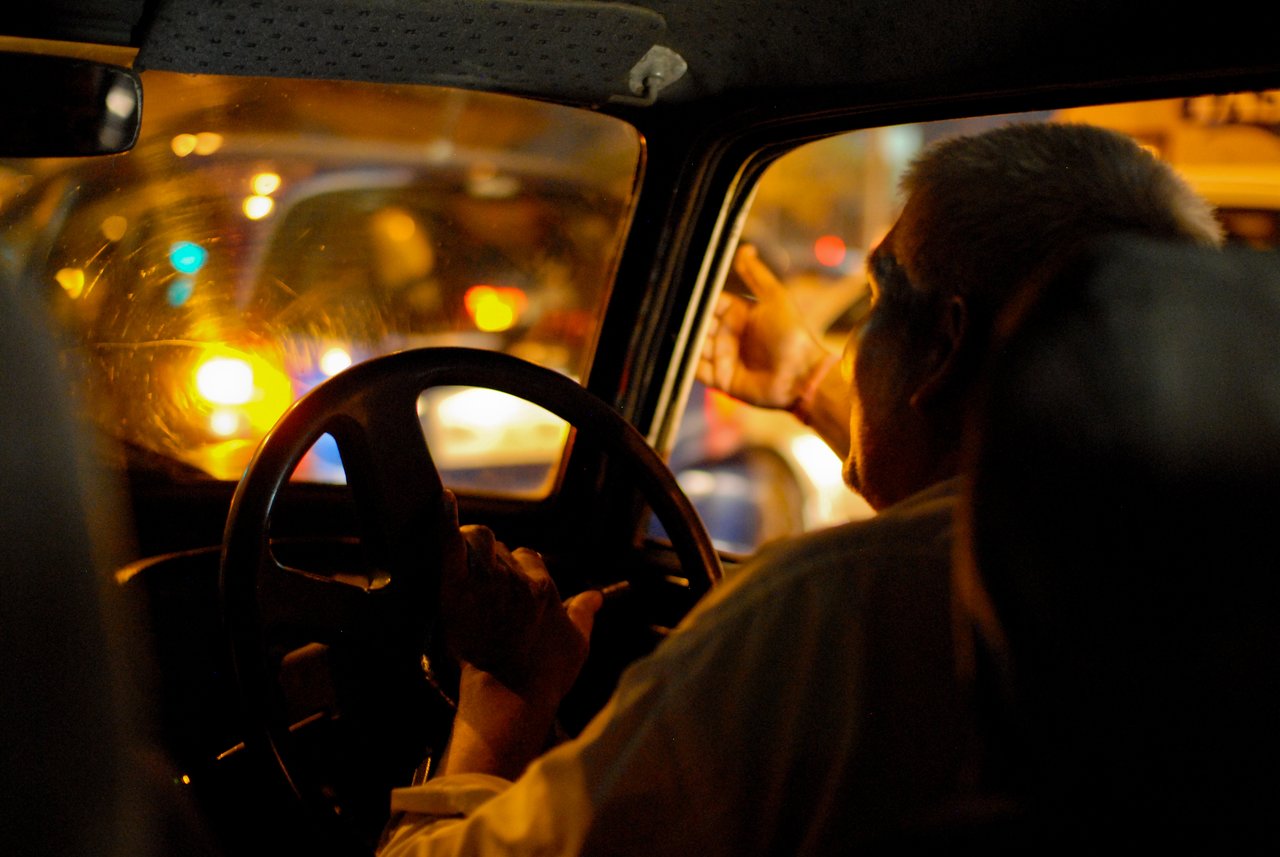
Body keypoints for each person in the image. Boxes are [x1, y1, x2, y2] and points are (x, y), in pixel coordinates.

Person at [378, 122, 1222, 856]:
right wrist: (815, 386)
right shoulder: (1204, 575)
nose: (856, 339)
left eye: (877, 296)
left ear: (947, 344)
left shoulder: (824, 616)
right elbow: (971, 499)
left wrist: (505, 710)